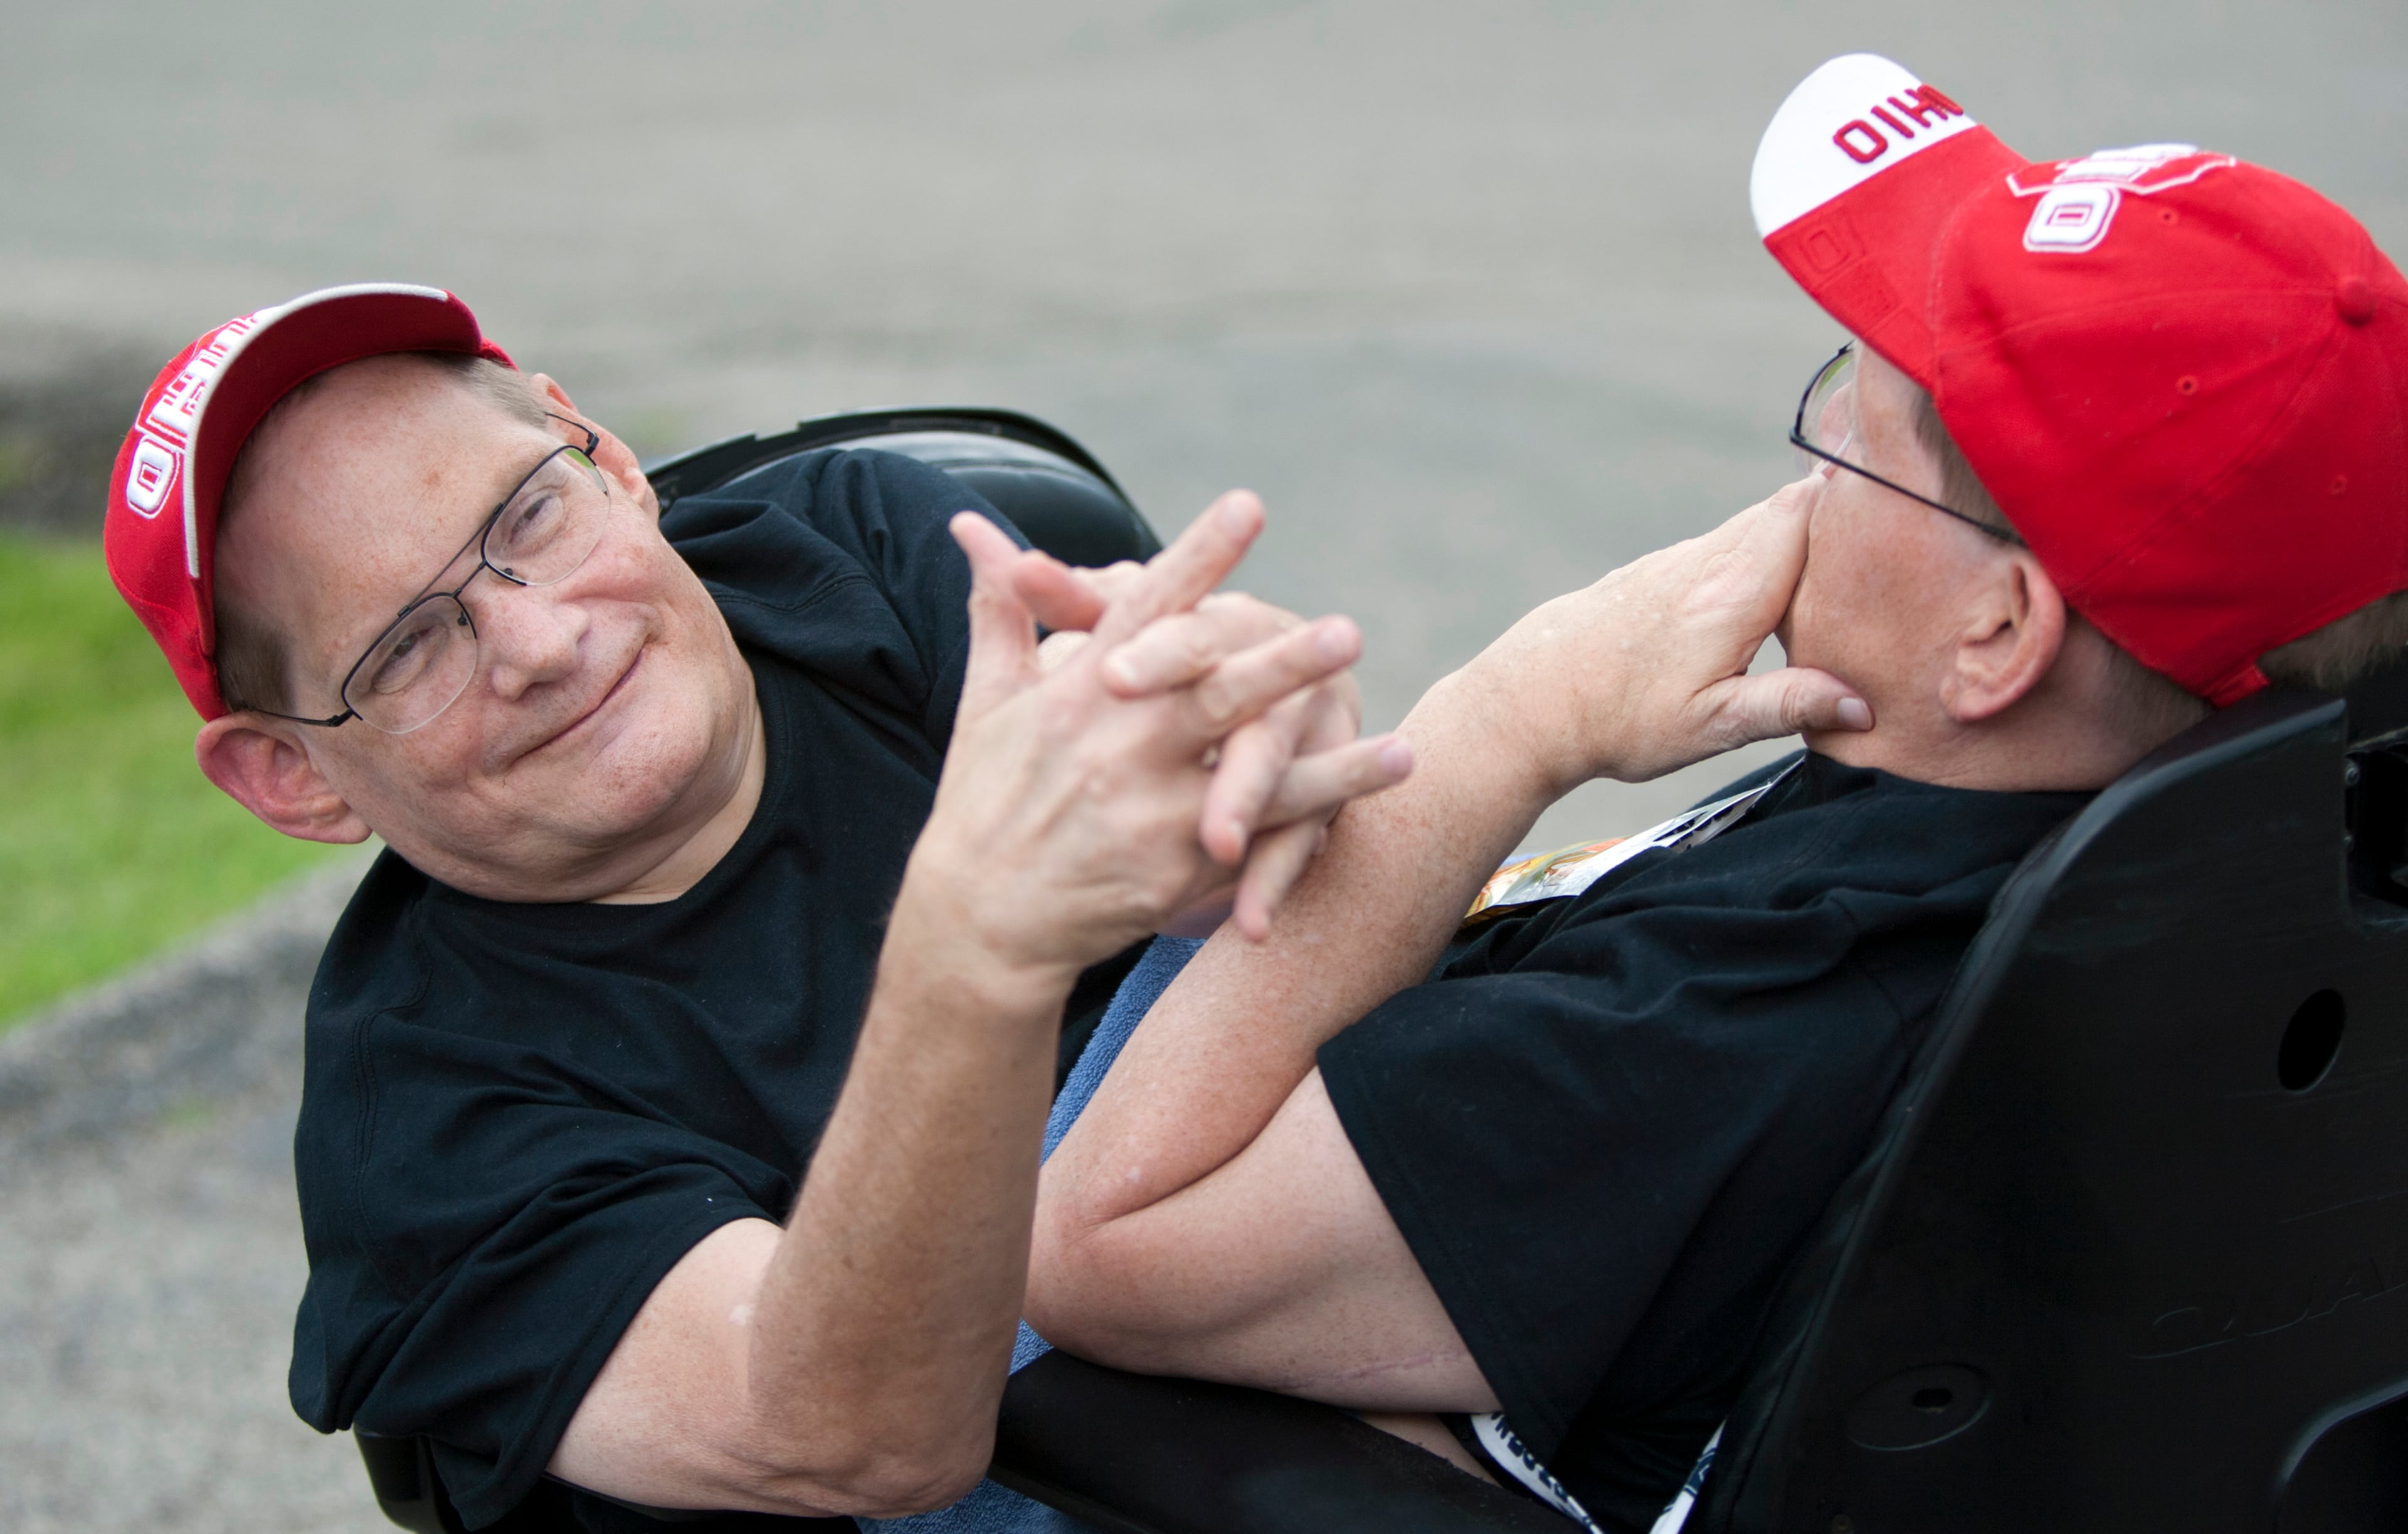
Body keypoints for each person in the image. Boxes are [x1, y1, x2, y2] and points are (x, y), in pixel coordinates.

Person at [1022, 53, 2408, 1534]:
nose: (1798, 484)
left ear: (1996, 635)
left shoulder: (1733, 1013)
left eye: (1844, 430)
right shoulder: (2259, 843)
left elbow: (1087, 1249)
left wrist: (1507, 722)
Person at [100, 286, 1412, 1530]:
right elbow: (860, 1431)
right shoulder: (425, 1138)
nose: (544, 644)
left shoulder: (851, 548)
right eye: (409, 650)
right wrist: (975, 949)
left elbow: (1245, 857)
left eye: (529, 519)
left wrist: (1251, 756)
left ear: (610, 462)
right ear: (292, 776)